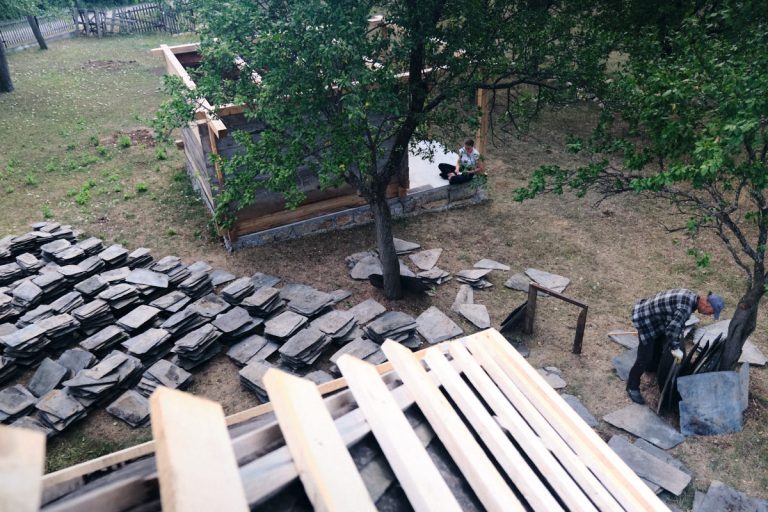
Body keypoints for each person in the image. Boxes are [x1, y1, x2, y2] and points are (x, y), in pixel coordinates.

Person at [626, 289, 725, 405]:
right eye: (710, 312)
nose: (708, 315)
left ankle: (651, 367)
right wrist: (675, 348)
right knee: (644, 357)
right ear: (706, 304)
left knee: (658, 343)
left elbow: (675, 322)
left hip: (656, 317)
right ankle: (632, 387)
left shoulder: (691, 296)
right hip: (645, 319)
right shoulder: (686, 308)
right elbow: (672, 329)